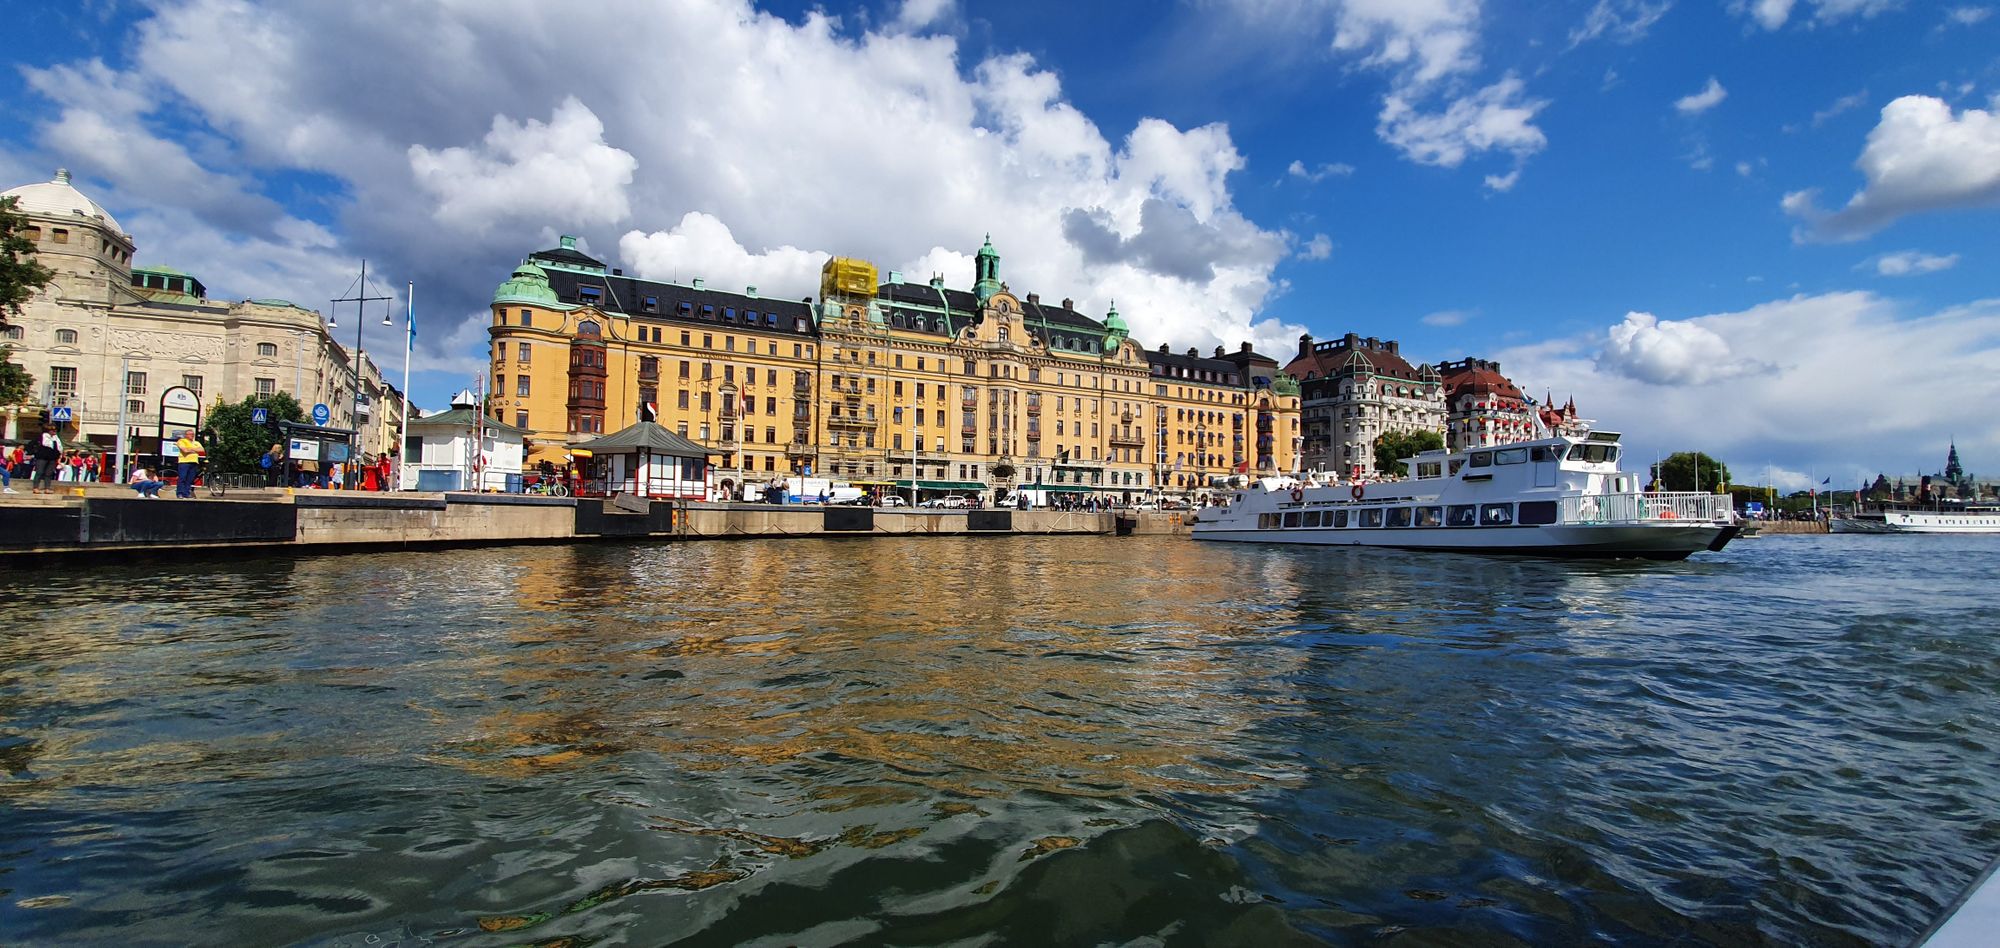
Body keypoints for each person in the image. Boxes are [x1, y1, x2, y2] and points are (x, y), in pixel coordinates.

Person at [173, 429, 205, 498]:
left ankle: (186, 493)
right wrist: (195, 449)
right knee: (182, 478)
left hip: (194, 462)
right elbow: (184, 450)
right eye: (190, 434)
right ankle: (180, 493)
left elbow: (202, 450)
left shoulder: (196, 442)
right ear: (186, 435)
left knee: (190, 479)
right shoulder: (182, 441)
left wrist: (190, 449)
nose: (192, 435)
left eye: (193, 434)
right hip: (184, 462)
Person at [31, 429, 62, 494]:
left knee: (49, 473)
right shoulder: (43, 436)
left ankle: (47, 488)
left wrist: (58, 455)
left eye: (55, 431)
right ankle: (35, 487)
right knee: (39, 472)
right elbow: (40, 444)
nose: (54, 432)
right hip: (42, 457)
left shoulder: (56, 439)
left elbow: (59, 448)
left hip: (52, 458)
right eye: (53, 431)